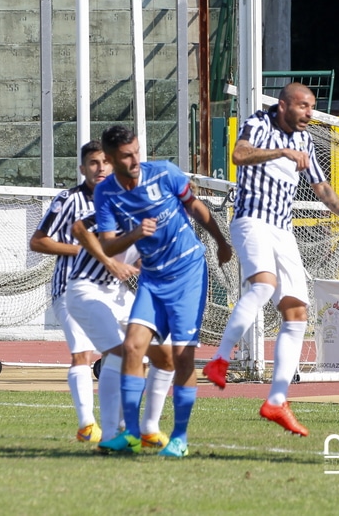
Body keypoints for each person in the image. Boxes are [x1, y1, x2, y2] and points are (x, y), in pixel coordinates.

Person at [202, 83, 339, 437]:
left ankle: (276, 401)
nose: (309, 113)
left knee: (296, 312)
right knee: (263, 286)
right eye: (303, 106)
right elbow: (239, 155)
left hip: (282, 229)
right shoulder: (259, 123)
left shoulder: (306, 140)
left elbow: (321, 186)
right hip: (251, 220)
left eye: (312, 107)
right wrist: (280, 152)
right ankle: (221, 359)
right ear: (284, 105)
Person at [92, 124, 232, 458]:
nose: (135, 159)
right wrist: (136, 234)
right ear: (111, 159)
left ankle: (180, 438)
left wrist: (221, 242)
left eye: (137, 151)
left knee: (183, 357)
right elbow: (109, 247)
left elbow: (196, 206)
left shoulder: (165, 173)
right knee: (131, 346)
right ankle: (128, 434)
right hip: (153, 277)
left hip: (187, 273)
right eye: (126, 155)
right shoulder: (106, 194)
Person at [70, 202, 176, 450]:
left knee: (166, 356)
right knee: (121, 351)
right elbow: (78, 229)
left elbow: (146, 260)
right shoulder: (115, 205)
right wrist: (110, 262)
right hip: (87, 287)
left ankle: (148, 429)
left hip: (120, 292)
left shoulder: (164, 218)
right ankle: (111, 435)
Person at [29, 140, 112, 443]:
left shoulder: (121, 199)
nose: (100, 167)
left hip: (109, 290)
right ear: (82, 168)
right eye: (93, 162)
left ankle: (126, 423)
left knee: (128, 353)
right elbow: (38, 241)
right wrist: (81, 250)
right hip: (70, 289)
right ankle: (87, 424)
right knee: (82, 354)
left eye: (105, 162)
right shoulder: (69, 200)